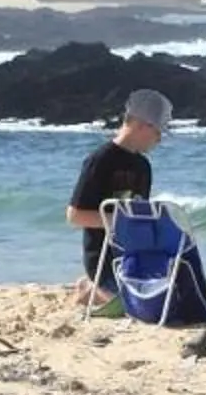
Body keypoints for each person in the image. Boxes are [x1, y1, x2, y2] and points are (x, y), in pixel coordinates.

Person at [67, 87, 170, 303]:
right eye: (158, 132)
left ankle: (99, 290)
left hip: (132, 256)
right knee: (137, 303)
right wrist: (117, 221)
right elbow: (74, 216)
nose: (159, 140)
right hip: (103, 258)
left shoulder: (143, 167)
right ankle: (91, 287)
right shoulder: (100, 161)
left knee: (167, 296)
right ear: (142, 125)